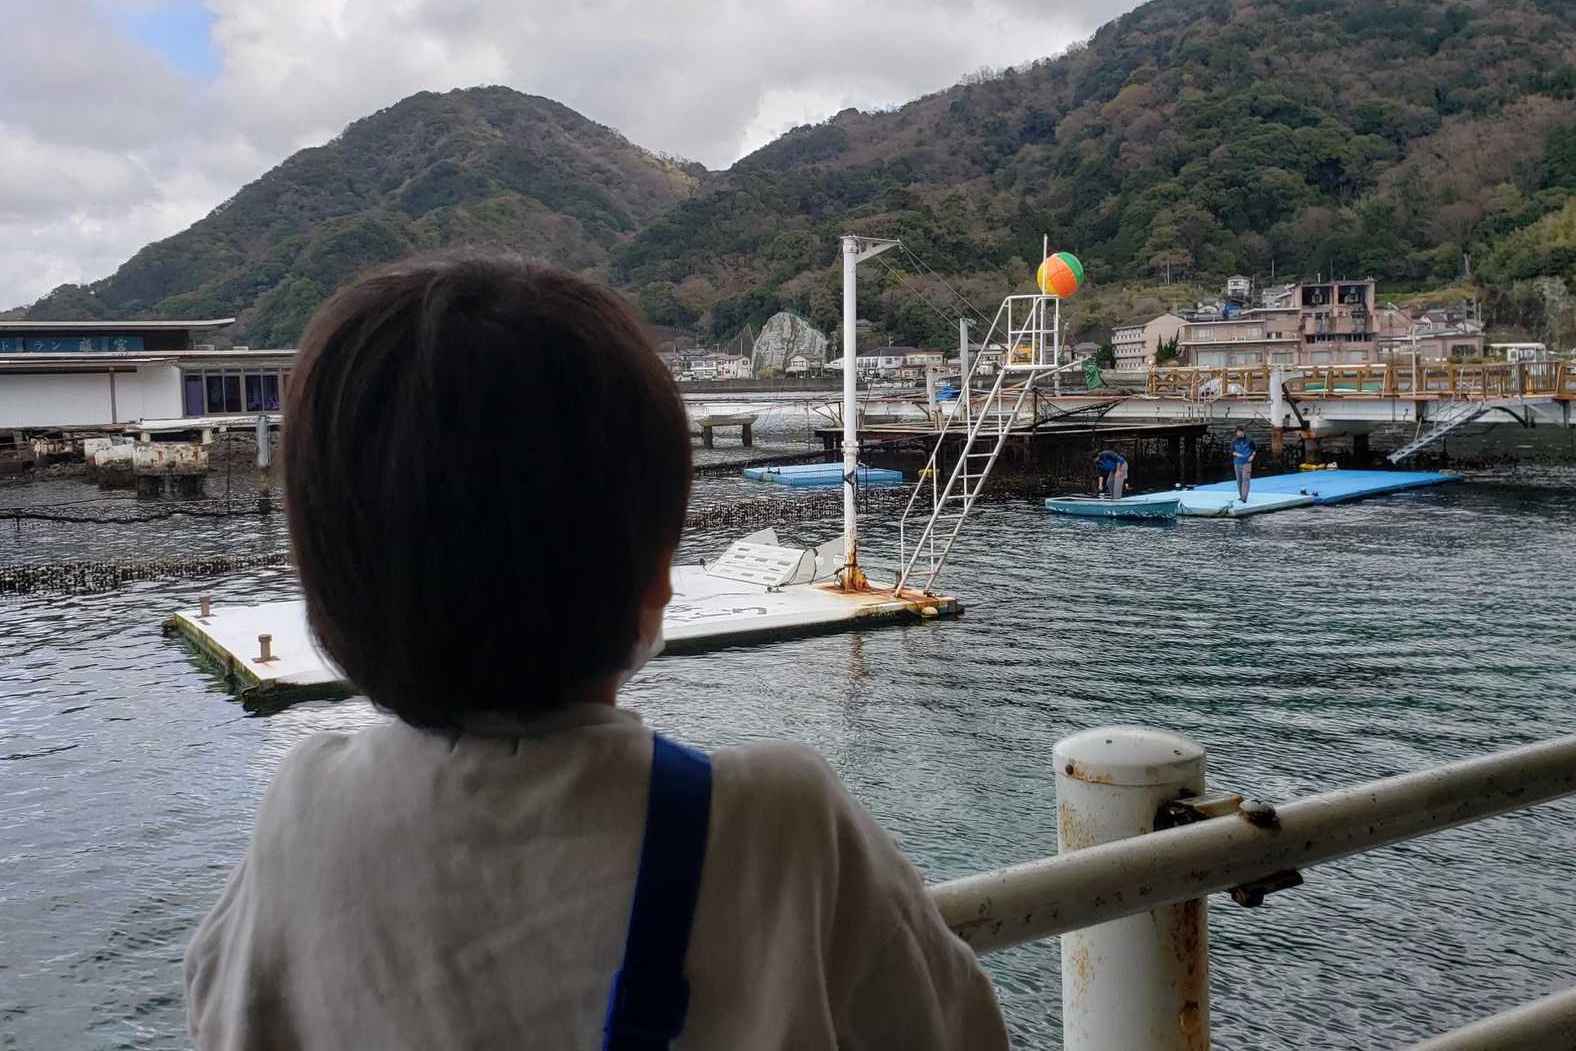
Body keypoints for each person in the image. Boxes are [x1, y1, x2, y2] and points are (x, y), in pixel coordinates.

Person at [184, 254, 1009, 1051]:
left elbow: (224, 1009)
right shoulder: (784, 831)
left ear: (328, 585)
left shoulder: (303, 820)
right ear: (658, 576)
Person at [1231, 425, 1255, 502]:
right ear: (1236, 432)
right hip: (1237, 462)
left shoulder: (1249, 440)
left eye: (1241, 432)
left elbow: (1254, 450)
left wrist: (1252, 456)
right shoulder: (1234, 441)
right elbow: (1232, 452)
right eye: (1238, 432)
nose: (1239, 433)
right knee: (1239, 480)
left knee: (1246, 479)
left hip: (1247, 462)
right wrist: (1237, 454)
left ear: (1244, 432)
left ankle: (1244, 497)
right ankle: (1241, 495)